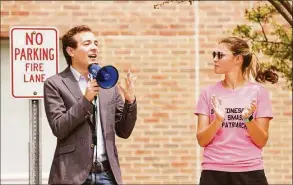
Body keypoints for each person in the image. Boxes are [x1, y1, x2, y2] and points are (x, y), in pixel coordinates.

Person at [43, 25, 138, 185]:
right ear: (71, 51)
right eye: (87, 44)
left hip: (107, 174)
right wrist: (86, 100)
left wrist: (130, 101)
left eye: (96, 43)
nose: (94, 47)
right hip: (72, 176)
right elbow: (59, 127)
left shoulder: (108, 84)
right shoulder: (55, 84)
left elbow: (124, 131)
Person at [194, 36, 278, 185]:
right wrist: (218, 121)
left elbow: (261, 141)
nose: (215, 59)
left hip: (250, 173)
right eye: (214, 54)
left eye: (220, 55)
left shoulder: (259, 92)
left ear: (238, 59)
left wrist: (248, 119)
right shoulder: (207, 93)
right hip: (214, 173)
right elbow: (202, 140)